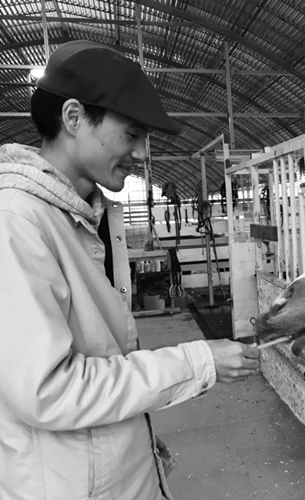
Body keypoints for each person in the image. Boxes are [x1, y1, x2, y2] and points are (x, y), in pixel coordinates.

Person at [0, 40, 260, 500]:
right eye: (132, 134)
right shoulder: (16, 222)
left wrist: (137, 442)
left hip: (107, 475)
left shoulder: (84, 216)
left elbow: (103, 359)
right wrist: (196, 362)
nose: (142, 153)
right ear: (74, 117)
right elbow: (49, 391)